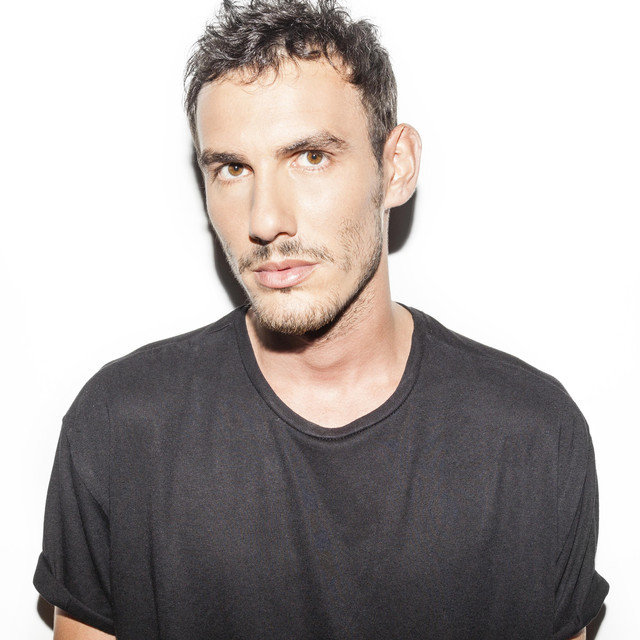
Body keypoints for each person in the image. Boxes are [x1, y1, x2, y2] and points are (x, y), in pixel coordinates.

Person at [34, 0, 608, 638]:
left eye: (310, 157)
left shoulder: (531, 438)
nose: (264, 220)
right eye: (232, 168)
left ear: (396, 167)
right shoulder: (121, 426)